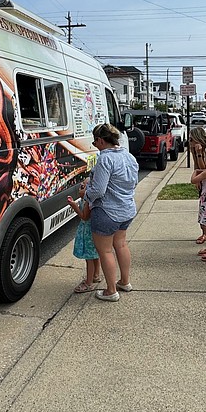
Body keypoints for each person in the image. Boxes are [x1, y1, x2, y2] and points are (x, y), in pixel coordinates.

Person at [85, 123, 139, 302]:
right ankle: (124, 281)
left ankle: (110, 291)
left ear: (101, 140)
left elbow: (98, 191)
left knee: (105, 251)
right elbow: (133, 183)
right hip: (126, 209)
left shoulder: (105, 159)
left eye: (95, 142)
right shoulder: (129, 156)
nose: (95, 145)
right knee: (121, 245)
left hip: (107, 211)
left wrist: (85, 193)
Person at [67, 180, 101, 293]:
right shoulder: (88, 200)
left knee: (89, 258)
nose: (79, 189)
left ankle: (89, 283)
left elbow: (84, 217)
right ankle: (96, 275)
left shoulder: (87, 202)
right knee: (95, 254)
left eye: (82, 187)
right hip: (92, 231)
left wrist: (74, 206)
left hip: (87, 232)